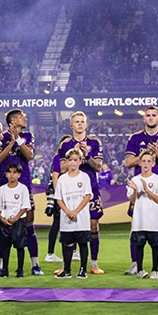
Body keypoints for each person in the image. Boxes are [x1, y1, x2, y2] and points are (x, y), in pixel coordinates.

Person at [52, 111, 106, 274]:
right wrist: (74, 154)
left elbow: (98, 167)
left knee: (93, 226)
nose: (80, 124)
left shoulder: (94, 143)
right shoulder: (65, 144)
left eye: (82, 121)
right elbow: (59, 168)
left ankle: (94, 264)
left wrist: (87, 155)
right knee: (69, 227)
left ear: (86, 124)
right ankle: (66, 266)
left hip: (90, 190)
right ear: (71, 125)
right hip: (70, 191)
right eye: (77, 121)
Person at [123, 105, 158, 274]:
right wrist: (144, 155)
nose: (151, 118)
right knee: (136, 224)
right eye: (148, 115)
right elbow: (129, 163)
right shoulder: (135, 138)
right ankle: (135, 264)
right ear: (144, 119)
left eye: (154, 115)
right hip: (139, 185)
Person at [0, 109, 42, 275]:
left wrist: (18, 140)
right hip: (3, 187)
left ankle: (35, 265)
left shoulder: (28, 136)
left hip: (24, 186)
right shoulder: (0, 136)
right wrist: (11, 142)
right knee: (1, 228)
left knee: (28, 225)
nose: (25, 118)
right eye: (23, 116)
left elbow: (29, 156)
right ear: (13, 120)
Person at [53, 149, 92, 278]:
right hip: (67, 218)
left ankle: (83, 270)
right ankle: (67, 270)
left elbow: (87, 196)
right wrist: (68, 211)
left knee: (82, 244)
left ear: (80, 161)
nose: (72, 163)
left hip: (81, 218)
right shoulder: (62, 179)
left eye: (75, 160)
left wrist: (76, 211)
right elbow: (59, 198)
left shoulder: (84, 177)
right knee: (67, 244)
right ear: (66, 162)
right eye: (70, 160)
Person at [125, 150, 158, 278]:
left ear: (153, 163)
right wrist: (136, 190)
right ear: (140, 163)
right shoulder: (135, 180)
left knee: (154, 246)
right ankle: (140, 270)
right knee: (139, 246)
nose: (146, 164)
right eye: (143, 161)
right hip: (139, 220)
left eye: (148, 161)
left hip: (153, 221)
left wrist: (146, 189)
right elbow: (133, 200)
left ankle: (155, 270)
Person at [0, 161, 31, 276]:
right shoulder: (2, 190)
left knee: (20, 246)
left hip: (18, 221)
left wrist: (16, 218)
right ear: (5, 174)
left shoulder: (23, 189)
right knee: (5, 247)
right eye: (9, 172)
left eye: (15, 172)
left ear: (19, 175)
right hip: (4, 221)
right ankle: (4, 270)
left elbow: (25, 206)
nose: (12, 175)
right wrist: (2, 218)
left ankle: (20, 270)